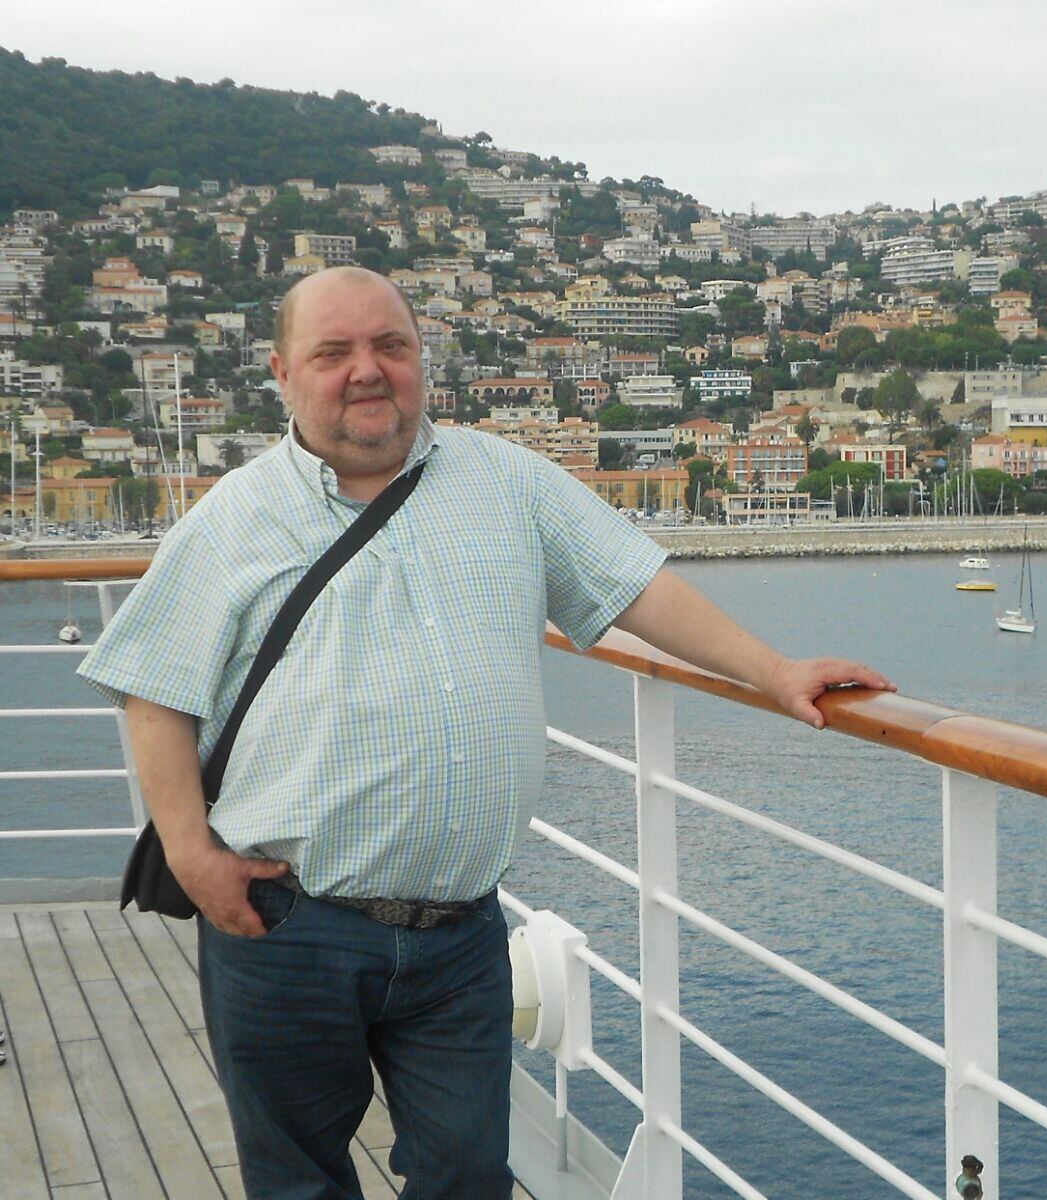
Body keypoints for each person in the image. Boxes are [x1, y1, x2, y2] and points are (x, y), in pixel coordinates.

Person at [79, 266, 893, 1199]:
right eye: (334, 352)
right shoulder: (234, 516)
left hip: (460, 934)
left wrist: (774, 671)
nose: (367, 370)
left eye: (390, 345)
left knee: (468, 1177)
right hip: (289, 924)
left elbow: (634, 587)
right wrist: (191, 857)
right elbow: (154, 691)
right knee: (299, 1183)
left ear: (421, 357)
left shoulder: (507, 480)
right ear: (282, 372)